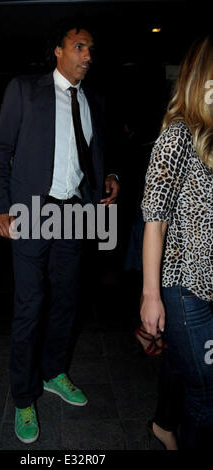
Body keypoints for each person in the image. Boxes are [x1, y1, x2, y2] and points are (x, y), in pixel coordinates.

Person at [0, 19, 119, 444]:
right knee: (30, 305)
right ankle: (24, 397)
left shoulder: (92, 100)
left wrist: (109, 177)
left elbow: (96, 152)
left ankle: (53, 372)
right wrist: (0, 208)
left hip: (74, 215)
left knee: (66, 300)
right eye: (80, 47)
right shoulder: (25, 90)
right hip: (30, 213)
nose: (88, 56)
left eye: (91, 49)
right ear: (59, 51)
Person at [140, 34, 213, 449]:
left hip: (208, 281)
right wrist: (151, 295)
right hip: (184, 285)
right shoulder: (178, 135)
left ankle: (164, 423)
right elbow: (156, 219)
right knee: (207, 392)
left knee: (179, 363)